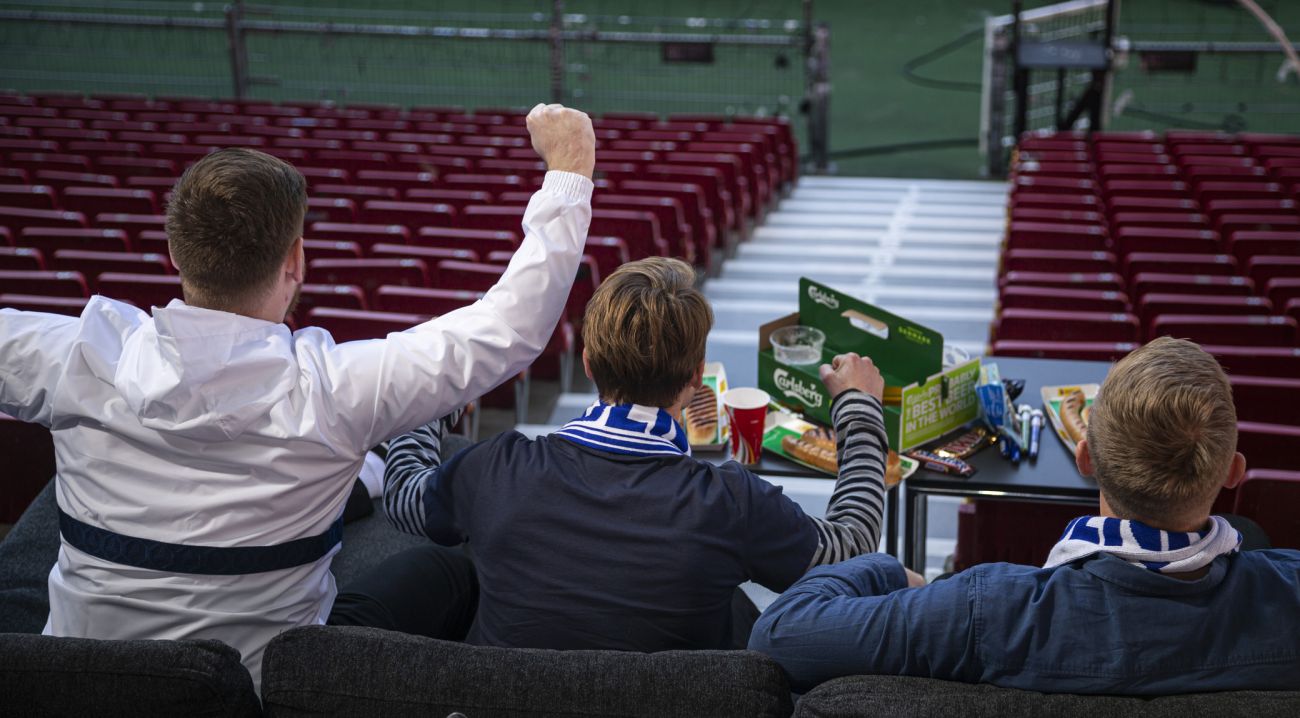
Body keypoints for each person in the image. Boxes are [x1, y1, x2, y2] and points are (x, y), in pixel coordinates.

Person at [0, 102, 596, 690]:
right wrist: (569, 168)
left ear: (177, 254)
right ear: (296, 261)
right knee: (441, 571)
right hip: (269, 689)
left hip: (72, 683)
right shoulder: (338, 391)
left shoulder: (70, 357)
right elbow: (511, 329)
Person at [382, 256, 894, 652]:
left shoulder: (495, 468)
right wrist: (859, 407)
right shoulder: (731, 503)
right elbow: (852, 546)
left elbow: (403, 492)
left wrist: (439, 397)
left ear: (586, 361)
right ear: (697, 378)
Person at [749, 336, 1300, 695]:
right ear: (1233, 471)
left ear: (1085, 458)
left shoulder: (985, 607)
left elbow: (778, 636)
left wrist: (887, 570)